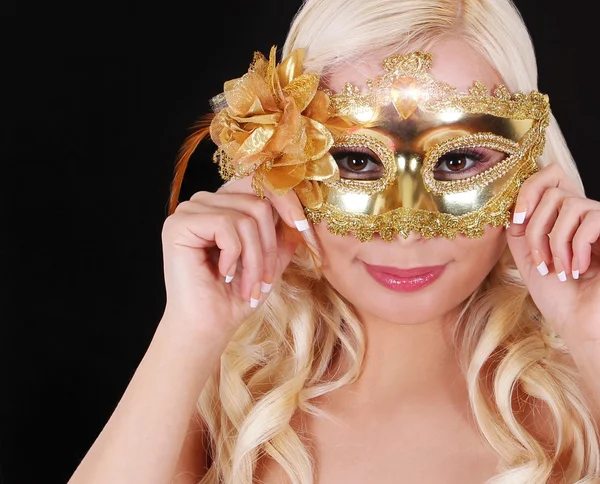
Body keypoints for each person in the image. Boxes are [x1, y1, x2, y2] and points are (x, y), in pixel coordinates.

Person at [66, 0, 600, 483]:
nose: (406, 228)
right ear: (281, 163)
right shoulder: (222, 405)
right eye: (355, 160)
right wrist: (187, 332)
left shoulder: (582, 397)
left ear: (529, 161)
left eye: (457, 161)